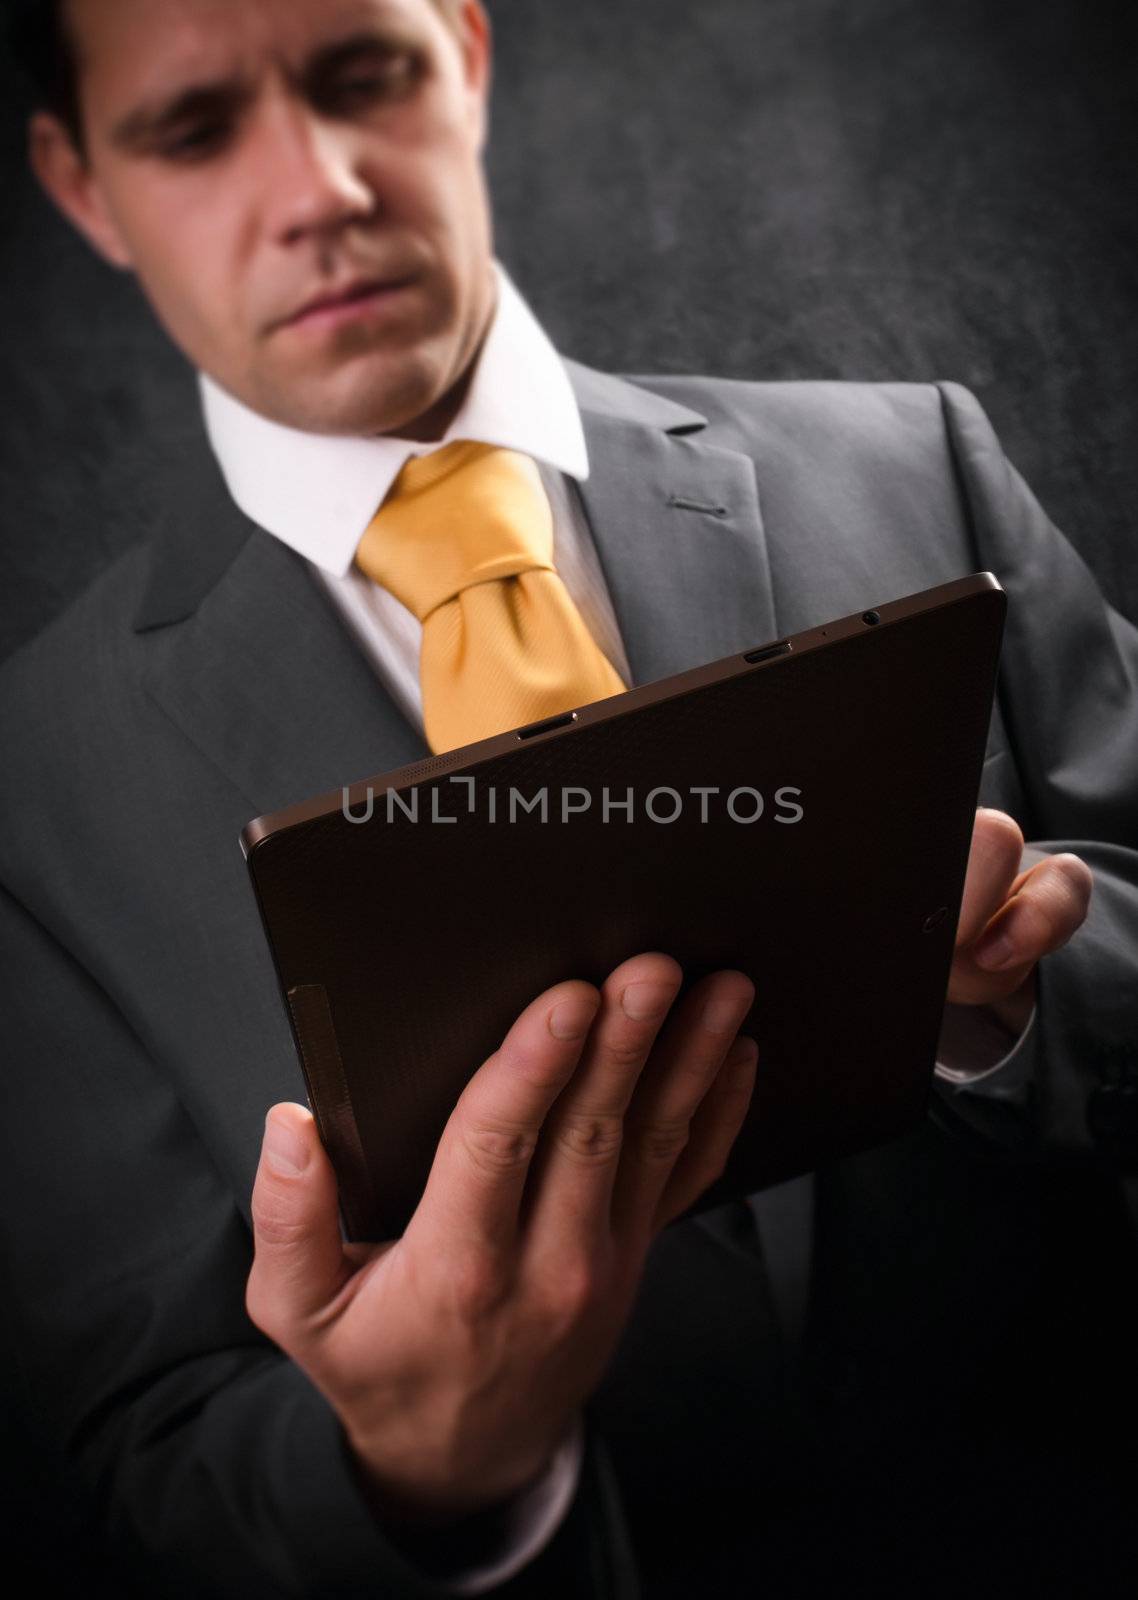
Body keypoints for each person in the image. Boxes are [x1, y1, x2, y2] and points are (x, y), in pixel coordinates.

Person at [1, 1, 1134, 1596]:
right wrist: (423, 1465)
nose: (319, 185)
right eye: (194, 130)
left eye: (362, 74)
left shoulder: (916, 467)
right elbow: (143, 1472)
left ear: (462, 53)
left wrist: (1014, 997)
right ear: (80, 187)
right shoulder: (28, 801)